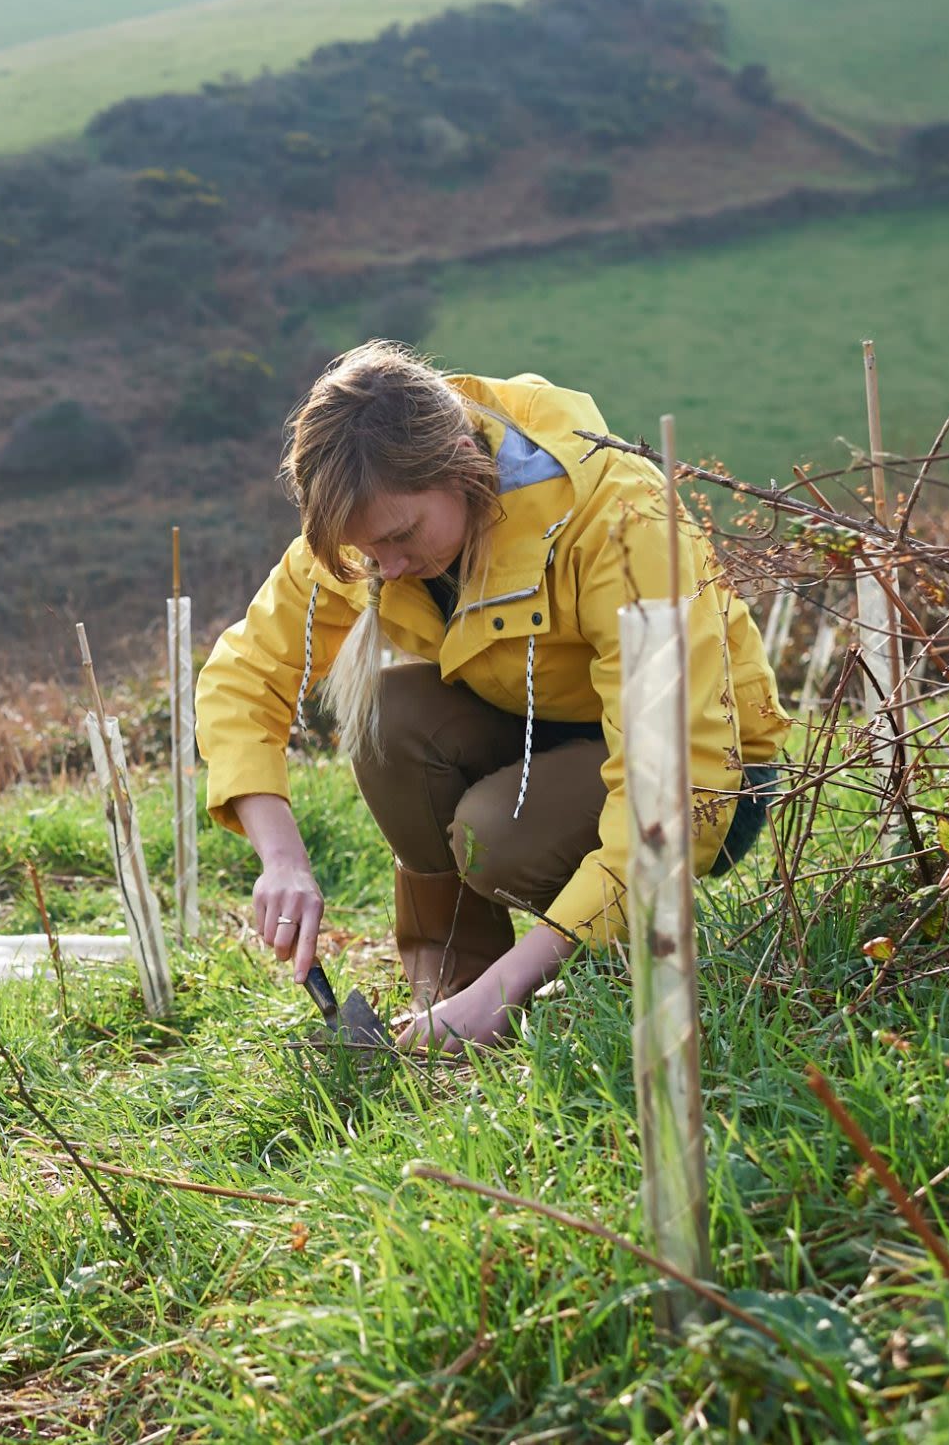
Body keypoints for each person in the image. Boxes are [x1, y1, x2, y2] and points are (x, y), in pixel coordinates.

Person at [196, 342, 789, 1049]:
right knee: (392, 721)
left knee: (492, 833)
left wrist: (511, 985)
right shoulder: (376, 521)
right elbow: (244, 672)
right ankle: (451, 999)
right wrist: (282, 858)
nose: (385, 569)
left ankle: (545, 984)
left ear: (460, 464)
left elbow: (680, 789)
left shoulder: (617, 518)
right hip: (551, 729)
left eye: (400, 536)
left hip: (710, 778)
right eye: (366, 553)